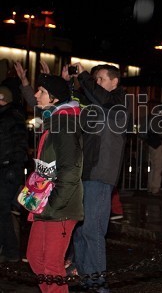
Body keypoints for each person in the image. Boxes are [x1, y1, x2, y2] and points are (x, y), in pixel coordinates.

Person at [70, 63, 129, 292]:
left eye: (101, 79)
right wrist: (70, 81)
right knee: (81, 229)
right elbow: (76, 100)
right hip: (86, 172)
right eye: (96, 80)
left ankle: (97, 285)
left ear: (114, 82)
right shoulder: (99, 102)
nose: (97, 83)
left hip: (100, 174)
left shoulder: (118, 103)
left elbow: (100, 97)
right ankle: (85, 279)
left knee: (93, 230)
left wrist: (84, 76)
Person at [25, 74, 83, 293]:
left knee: (51, 264)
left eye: (41, 91)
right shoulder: (55, 121)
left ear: (55, 98)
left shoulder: (65, 124)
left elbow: (70, 169)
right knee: (35, 257)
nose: (36, 95)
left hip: (60, 205)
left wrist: (55, 204)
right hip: (46, 201)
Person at [0, 86, 28, 263]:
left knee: (2, 211)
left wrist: (12, 168)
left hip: (8, 170)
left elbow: (19, 145)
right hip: (6, 169)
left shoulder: (12, 117)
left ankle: (11, 252)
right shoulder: (5, 116)